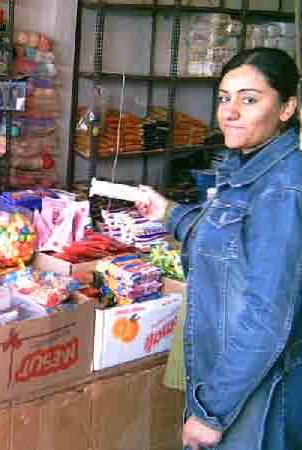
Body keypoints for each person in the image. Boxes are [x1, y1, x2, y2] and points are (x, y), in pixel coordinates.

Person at [135, 47, 302, 450]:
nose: (229, 112)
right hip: (228, 380)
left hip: (255, 394)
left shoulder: (282, 189)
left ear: (286, 108)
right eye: (225, 98)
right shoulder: (246, 169)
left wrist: (211, 412)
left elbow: (266, 319)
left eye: (249, 99)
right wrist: (170, 214)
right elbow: (228, 250)